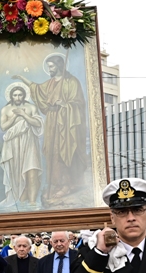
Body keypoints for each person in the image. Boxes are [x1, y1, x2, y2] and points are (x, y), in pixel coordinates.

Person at [13, 55, 90, 204]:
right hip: (52, 121)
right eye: (48, 67)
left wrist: (65, 104)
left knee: (63, 152)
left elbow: (79, 103)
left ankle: (67, 185)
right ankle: (58, 184)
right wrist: (23, 78)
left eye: (52, 66)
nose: (50, 69)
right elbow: (36, 89)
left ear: (59, 66)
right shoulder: (50, 83)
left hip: (66, 125)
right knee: (52, 153)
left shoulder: (71, 82)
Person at [0, 84, 44, 207]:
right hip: (13, 144)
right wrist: (15, 115)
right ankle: (23, 199)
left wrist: (24, 115)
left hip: (29, 141)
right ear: (11, 96)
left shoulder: (31, 107)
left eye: (20, 95)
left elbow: (38, 123)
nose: (17, 97)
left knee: (32, 170)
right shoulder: (6, 109)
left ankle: (33, 201)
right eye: (15, 95)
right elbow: (3, 127)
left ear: (24, 95)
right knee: (17, 173)